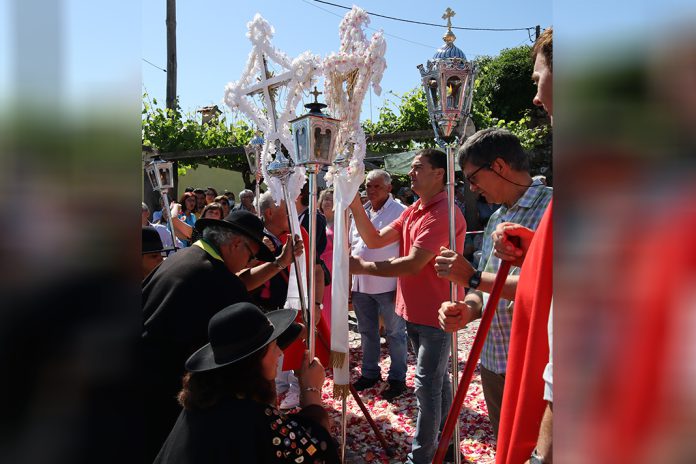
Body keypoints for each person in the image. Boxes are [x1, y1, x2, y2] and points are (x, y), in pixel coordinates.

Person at [142, 210, 301, 462]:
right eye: (250, 256)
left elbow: (236, 282)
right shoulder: (213, 277)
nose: (250, 264)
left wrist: (279, 263)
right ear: (236, 243)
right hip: (162, 389)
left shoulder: (186, 257)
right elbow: (251, 352)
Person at [434, 127, 552, 438]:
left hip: (535, 366)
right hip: (494, 359)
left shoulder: (554, 209)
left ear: (498, 166)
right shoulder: (497, 219)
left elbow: (546, 285)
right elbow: (484, 290)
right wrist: (468, 309)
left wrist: (470, 276)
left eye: (472, 178)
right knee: (507, 444)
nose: (471, 188)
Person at [349, 149, 465, 464]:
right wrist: (353, 202)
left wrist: (362, 268)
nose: (411, 173)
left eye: (418, 167)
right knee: (437, 382)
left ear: (439, 173)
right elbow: (373, 239)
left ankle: (421, 458)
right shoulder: (415, 209)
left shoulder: (443, 213)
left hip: (438, 315)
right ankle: (448, 442)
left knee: (426, 388)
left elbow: (414, 264)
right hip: (413, 311)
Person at [154, 302, 339, 463]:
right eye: (274, 347)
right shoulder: (254, 417)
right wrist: (311, 389)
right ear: (253, 361)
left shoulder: (203, 400)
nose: (280, 353)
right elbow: (314, 451)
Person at [254, 191, 329, 410]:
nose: (294, 214)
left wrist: (316, 304)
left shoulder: (300, 233)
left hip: (297, 306)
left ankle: (303, 393)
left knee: (300, 351)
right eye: (287, 210)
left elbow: (317, 271)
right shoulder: (253, 236)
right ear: (269, 212)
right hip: (263, 309)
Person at [348, 169, 408, 401]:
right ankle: (370, 372)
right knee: (366, 332)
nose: (371, 191)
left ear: (389, 188)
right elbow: (355, 245)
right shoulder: (360, 211)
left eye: (376, 186)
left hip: (388, 284)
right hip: (362, 285)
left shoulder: (400, 211)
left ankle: (397, 378)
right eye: (368, 186)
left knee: (395, 333)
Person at [317, 188, 334, 327]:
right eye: (325, 199)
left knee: (331, 308)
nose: (327, 202)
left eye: (331, 199)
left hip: (334, 272)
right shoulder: (317, 221)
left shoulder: (343, 222)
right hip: (318, 270)